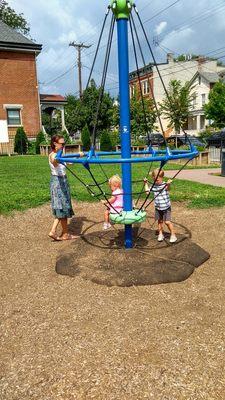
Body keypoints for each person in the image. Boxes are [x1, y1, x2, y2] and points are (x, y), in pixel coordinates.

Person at [48, 134, 83, 241]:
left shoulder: (61, 154)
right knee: (61, 207)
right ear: (55, 143)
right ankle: (55, 231)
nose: (63, 145)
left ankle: (63, 233)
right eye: (61, 144)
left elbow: (69, 163)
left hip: (63, 181)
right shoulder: (53, 155)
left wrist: (78, 156)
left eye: (64, 143)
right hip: (57, 182)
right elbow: (55, 162)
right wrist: (59, 157)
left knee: (63, 208)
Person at [144, 168, 177, 243]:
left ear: (162, 178)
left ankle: (173, 235)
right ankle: (160, 234)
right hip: (158, 207)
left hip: (166, 207)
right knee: (159, 221)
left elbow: (168, 189)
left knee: (167, 222)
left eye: (157, 180)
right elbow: (147, 192)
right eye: (154, 180)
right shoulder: (153, 185)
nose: (156, 182)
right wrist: (145, 183)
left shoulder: (164, 184)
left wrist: (169, 184)